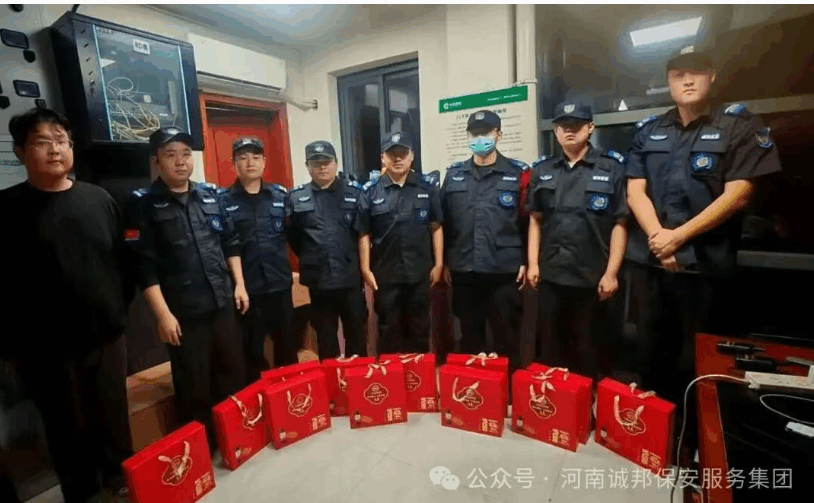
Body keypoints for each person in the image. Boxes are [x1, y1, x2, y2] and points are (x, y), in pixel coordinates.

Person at [625, 45, 782, 405]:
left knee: (702, 362)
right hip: (652, 266)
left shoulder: (738, 125)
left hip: (705, 269)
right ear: (668, 82)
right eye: (678, 75)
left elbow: (738, 194)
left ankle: (698, 433)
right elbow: (635, 191)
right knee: (649, 354)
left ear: (712, 77)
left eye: (696, 72)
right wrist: (659, 240)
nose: (688, 81)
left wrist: (677, 237)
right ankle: (653, 429)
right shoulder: (649, 130)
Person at [0, 108, 133, 503]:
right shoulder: (6, 209)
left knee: (115, 422)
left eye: (61, 141)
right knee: (66, 430)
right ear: (20, 152)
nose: (55, 150)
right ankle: (83, 493)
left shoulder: (99, 198)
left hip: (106, 338)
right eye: (43, 142)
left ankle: (123, 484)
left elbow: (122, 263)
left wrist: (116, 313)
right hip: (45, 349)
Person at [126, 127, 248, 451]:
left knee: (232, 374)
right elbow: (143, 266)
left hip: (222, 302)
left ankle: (236, 439)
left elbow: (230, 243)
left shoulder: (210, 195)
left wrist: (239, 285)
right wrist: (163, 315)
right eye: (171, 155)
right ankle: (203, 451)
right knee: (194, 386)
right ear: (156, 162)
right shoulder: (142, 203)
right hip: (183, 312)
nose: (180, 162)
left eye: (185, 154)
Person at [526, 100, 629, 380]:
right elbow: (535, 219)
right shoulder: (543, 170)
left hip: (593, 277)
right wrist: (533, 263)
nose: (569, 131)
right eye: (563, 126)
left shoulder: (611, 168)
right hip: (552, 275)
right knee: (551, 351)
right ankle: (557, 403)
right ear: (555, 131)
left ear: (590, 127)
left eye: (576, 125)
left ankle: (589, 404)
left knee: (590, 353)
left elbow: (620, 223)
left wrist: (612, 273)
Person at [440, 110, 531, 372]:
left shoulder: (519, 173)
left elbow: (529, 222)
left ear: (498, 134)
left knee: (506, 336)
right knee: (470, 336)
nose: (480, 138)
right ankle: (474, 388)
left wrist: (527, 260)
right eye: (475, 133)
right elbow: (444, 223)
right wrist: (444, 262)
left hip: (504, 269)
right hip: (464, 268)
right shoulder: (454, 175)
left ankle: (508, 387)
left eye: (486, 132)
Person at [355, 131, 444, 354]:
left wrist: (439, 264)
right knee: (389, 330)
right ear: (382, 158)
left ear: (412, 156)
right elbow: (364, 233)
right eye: (391, 154)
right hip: (386, 274)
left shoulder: (427, 188)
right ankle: (392, 374)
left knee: (420, 328)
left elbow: (436, 227)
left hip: (419, 273)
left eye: (402, 153)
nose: (397, 158)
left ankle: (418, 374)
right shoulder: (370, 191)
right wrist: (365, 268)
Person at [221, 137, 297, 382]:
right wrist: (238, 284)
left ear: (264, 162)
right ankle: (260, 398)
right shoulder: (223, 201)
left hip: (279, 285)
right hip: (246, 291)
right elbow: (225, 246)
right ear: (233, 164)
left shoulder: (280, 196)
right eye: (242, 158)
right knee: (251, 351)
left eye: (255, 157)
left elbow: (294, 235)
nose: (250, 163)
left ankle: (290, 395)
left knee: (287, 347)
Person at [285, 141, 368, 359]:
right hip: (318, 281)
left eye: (327, 162)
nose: (322, 167)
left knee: (357, 336)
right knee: (326, 339)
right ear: (307, 166)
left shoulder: (354, 193)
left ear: (336, 163)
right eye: (316, 163)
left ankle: (358, 378)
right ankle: (332, 380)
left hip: (350, 278)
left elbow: (362, 234)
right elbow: (293, 237)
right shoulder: (296, 197)